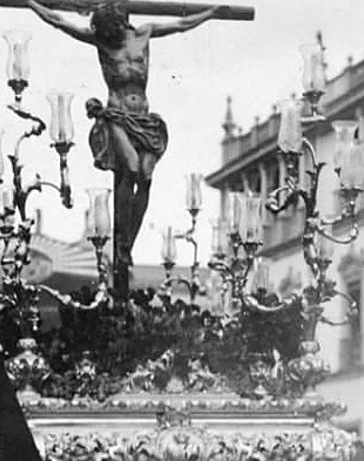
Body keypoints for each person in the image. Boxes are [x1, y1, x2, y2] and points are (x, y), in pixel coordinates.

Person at [25, 0, 219, 295]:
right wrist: (31, 4)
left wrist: (211, 13)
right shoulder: (101, 41)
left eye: (112, 30)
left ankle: (127, 242)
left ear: (121, 22)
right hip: (116, 116)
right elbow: (59, 21)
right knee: (129, 167)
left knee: (146, 175)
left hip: (145, 119)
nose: (110, 36)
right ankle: (122, 249)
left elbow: (181, 25)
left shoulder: (144, 34)